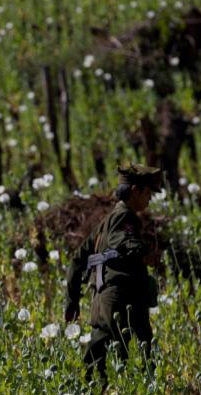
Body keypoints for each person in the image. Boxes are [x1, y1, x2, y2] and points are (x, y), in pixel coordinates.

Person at [64, 163, 163, 382]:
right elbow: (124, 240)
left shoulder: (103, 225)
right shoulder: (125, 218)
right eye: (148, 193)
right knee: (142, 355)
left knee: (96, 360)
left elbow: (76, 260)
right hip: (123, 301)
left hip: (101, 300)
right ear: (135, 190)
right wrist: (144, 252)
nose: (150, 199)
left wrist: (72, 301)